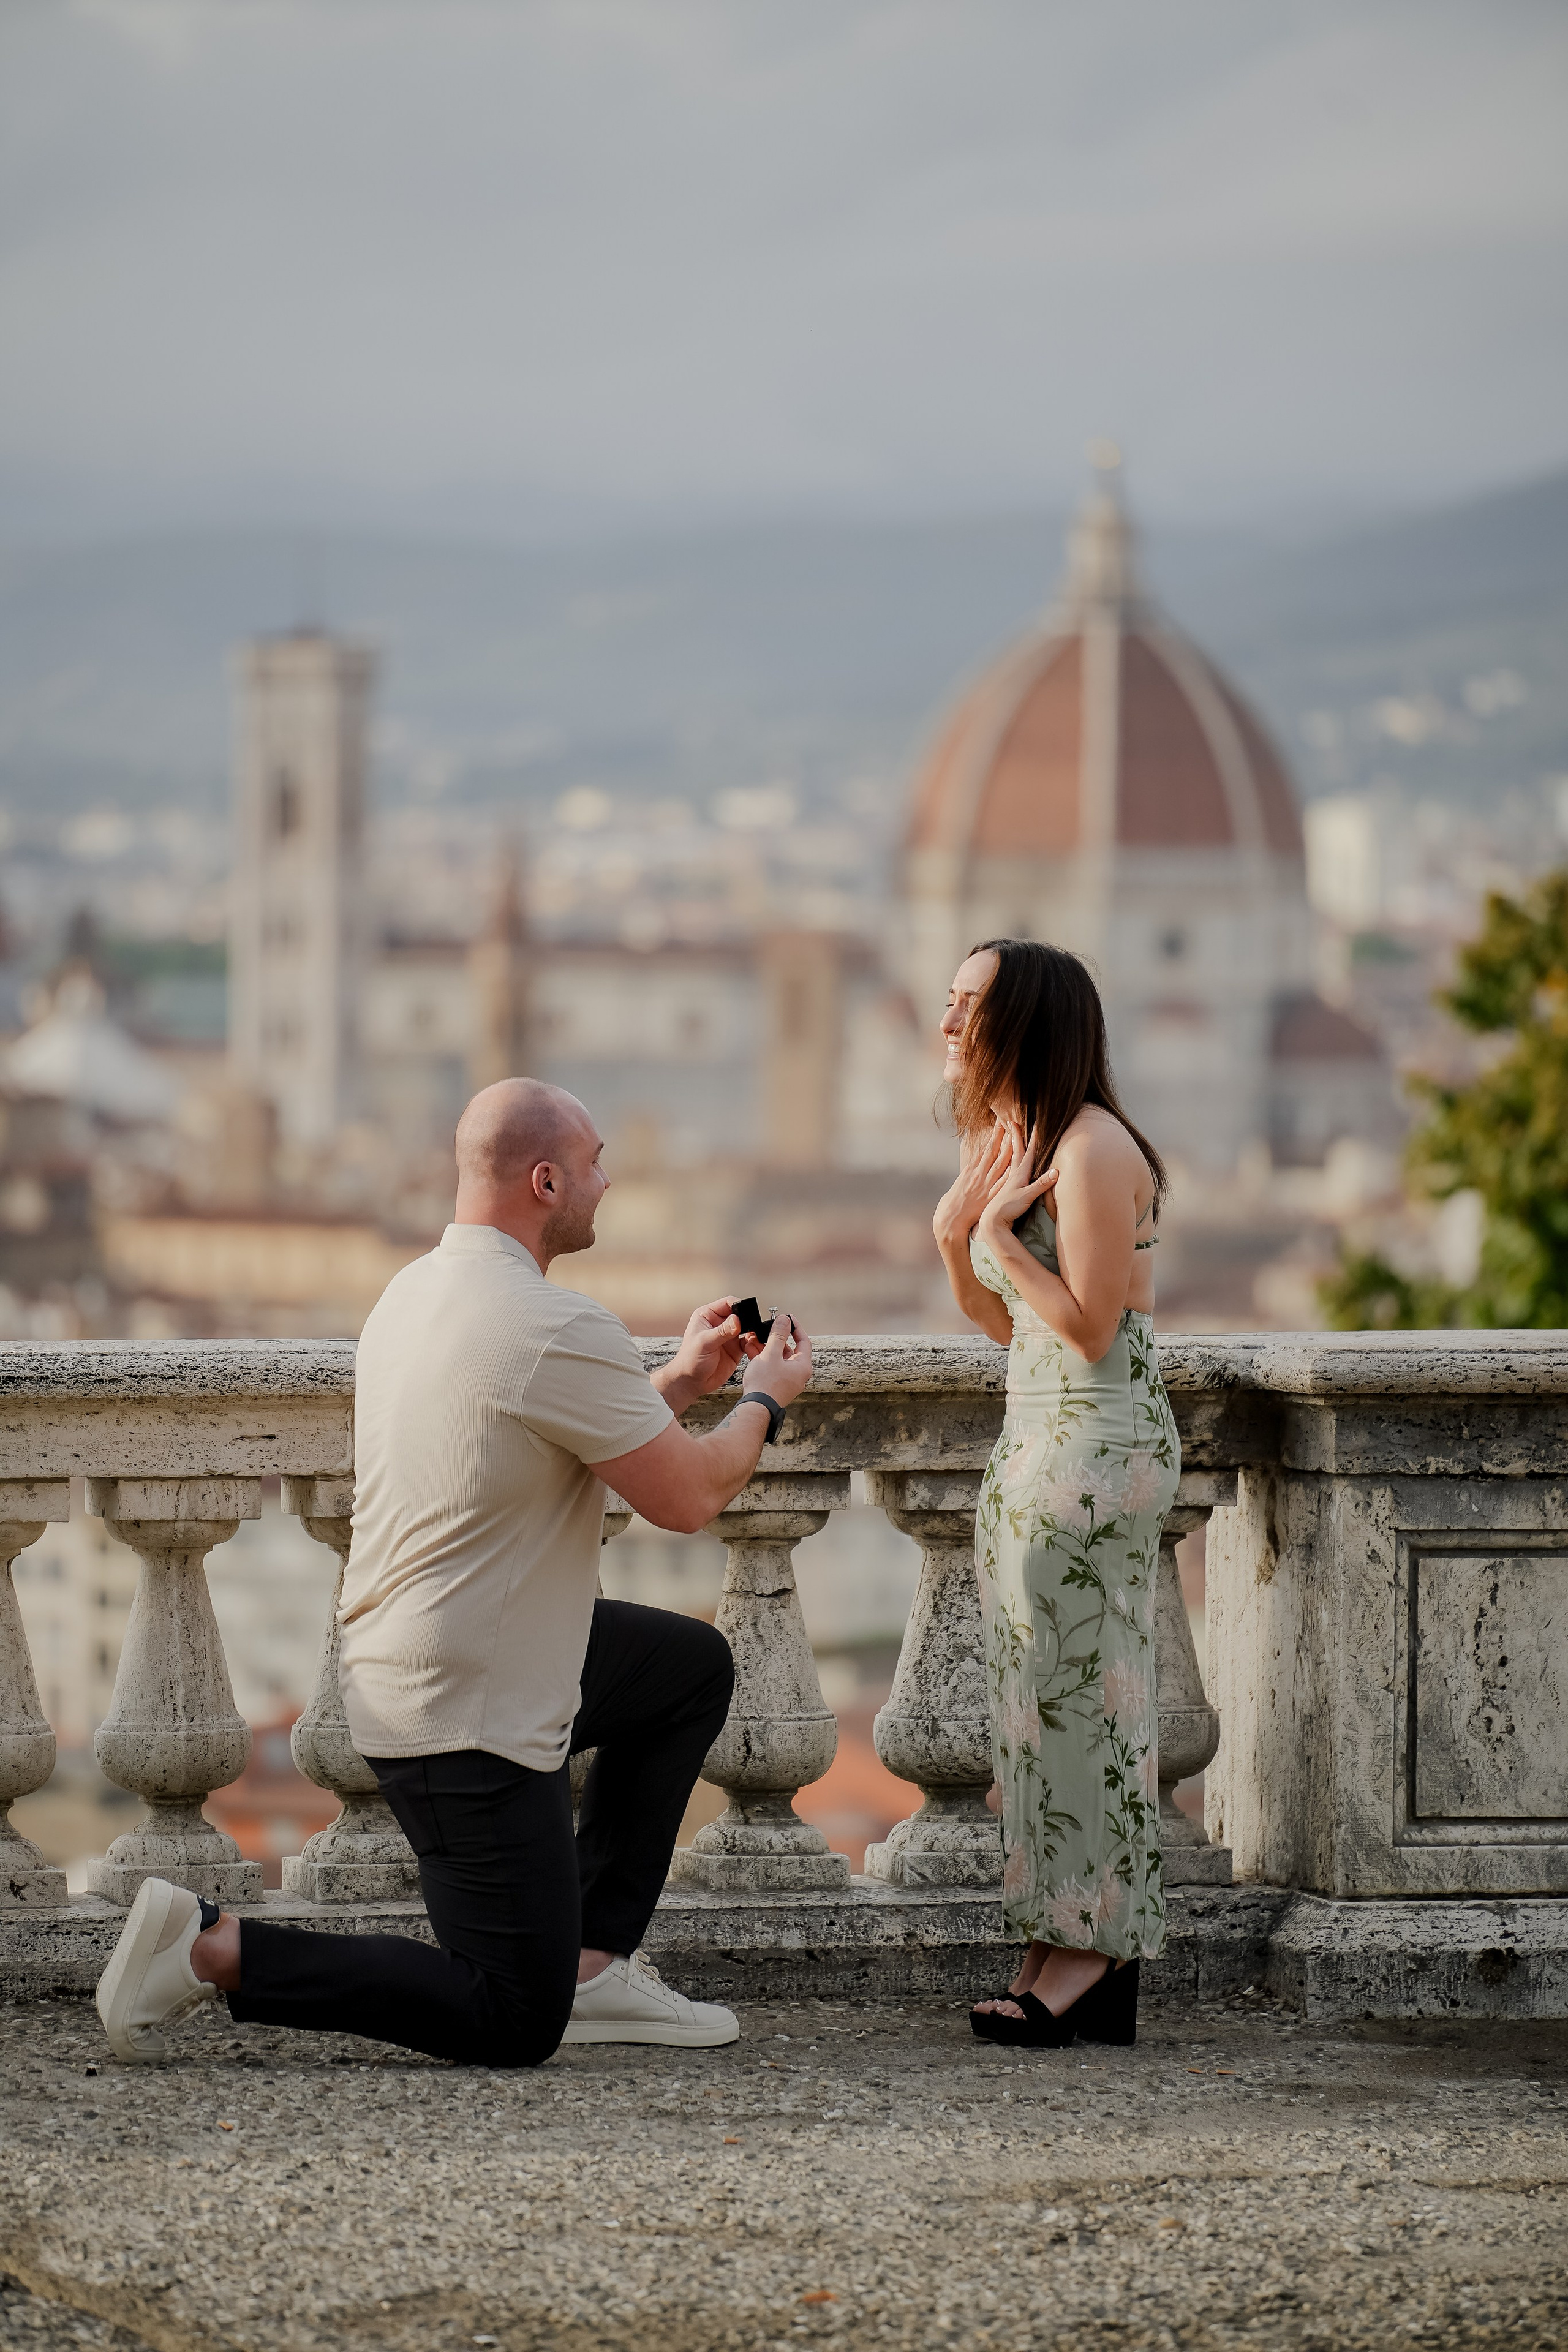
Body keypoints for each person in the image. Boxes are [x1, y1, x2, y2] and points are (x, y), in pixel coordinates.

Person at [95, 1078, 813, 2067]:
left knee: (685, 1668)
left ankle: (592, 1967)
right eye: (596, 1163)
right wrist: (763, 1403)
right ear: (546, 1178)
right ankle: (214, 1947)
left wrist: (685, 1383)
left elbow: (531, 1416)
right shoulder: (554, 1322)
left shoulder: (419, 1291)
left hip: (424, 1653)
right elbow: (688, 1498)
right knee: (510, 2018)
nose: (609, 1182)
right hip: (464, 1708)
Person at [932, 940, 1179, 2048]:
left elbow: (1085, 1326)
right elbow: (1010, 1325)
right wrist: (956, 1242)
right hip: (1036, 1441)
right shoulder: (1015, 1144)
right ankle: (1056, 1934)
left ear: (1026, 1019)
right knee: (1036, 1708)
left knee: (1088, 1698)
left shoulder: (1089, 1148)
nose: (947, 1026)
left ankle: (1093, 1949)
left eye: (967, 1006)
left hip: (1095, 1445)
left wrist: (989, 1236)